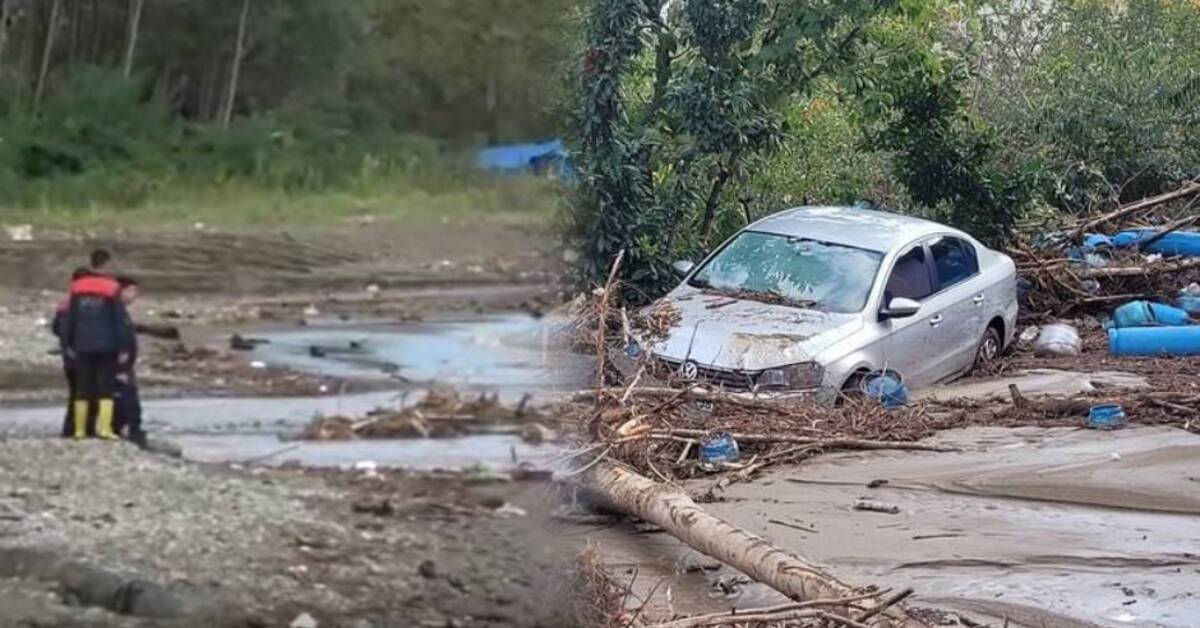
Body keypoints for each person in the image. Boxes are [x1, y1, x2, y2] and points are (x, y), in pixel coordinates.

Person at [64, 269, 131, 441]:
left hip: (82, 344)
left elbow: (70, 319)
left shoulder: (77, 290)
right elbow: (119, 320)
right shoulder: (112, 289)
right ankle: (105, 429)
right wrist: (123, 347)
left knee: (82, 388)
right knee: (105, 388)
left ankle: (79, 431)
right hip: (107, 346)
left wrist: (68, 344)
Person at [51, 267, 94, 438]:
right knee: (87, 393)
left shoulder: (65, 303)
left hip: (69, 357)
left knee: (76, 394)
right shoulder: (83, 304)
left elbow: (56, 329)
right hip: (83, 355)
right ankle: (82, 429)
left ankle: (72, 429)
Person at [113, 275, 147, 447]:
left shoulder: (119, 311)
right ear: (122, 290)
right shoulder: (115, 310)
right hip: (119, 364)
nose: (136, 295)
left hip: (125, 363)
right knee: (126, 397)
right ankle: (130, 431)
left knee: (126, 396)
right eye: (133, 290)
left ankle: (128, 429)